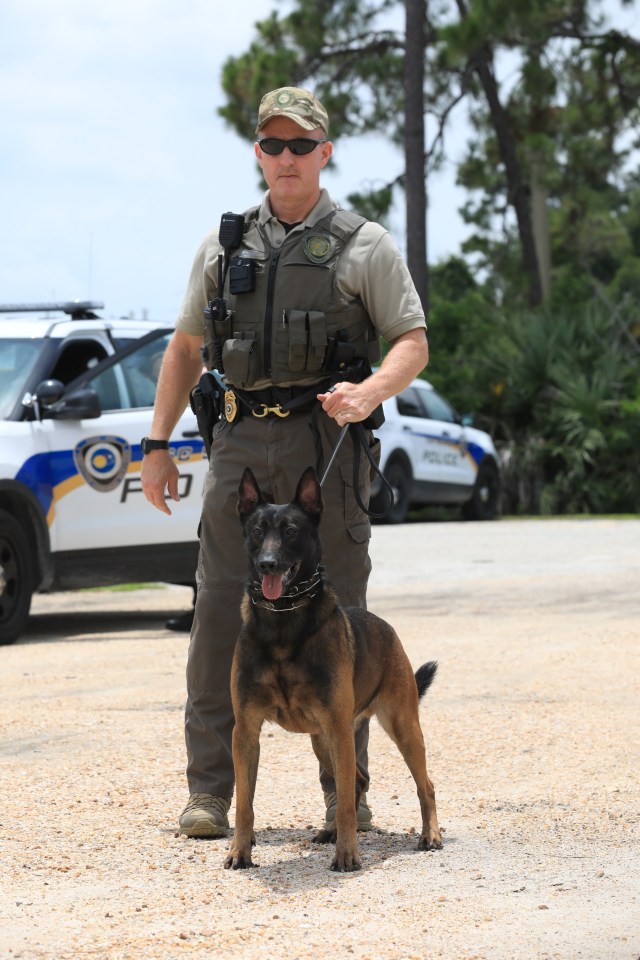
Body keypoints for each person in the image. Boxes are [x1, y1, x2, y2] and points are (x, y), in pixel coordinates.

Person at [141, 86, 429, 838]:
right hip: (238, 441)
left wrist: (370, 392)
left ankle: (348, 795)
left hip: (323, 444)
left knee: (339, 622)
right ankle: (210, 791)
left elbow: (411, 340)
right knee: (218, 614)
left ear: (325, 152)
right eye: (273, 144)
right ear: (259, 154)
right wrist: (156, 445)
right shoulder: (224, 245)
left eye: (301, 145)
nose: (287, 157)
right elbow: (184, 349)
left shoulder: (362, 243)